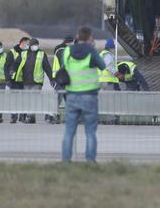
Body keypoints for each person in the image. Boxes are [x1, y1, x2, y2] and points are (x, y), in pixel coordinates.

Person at [61, 26, 106, 163]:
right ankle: (90, 161)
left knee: (69, 131)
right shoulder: (91, 51)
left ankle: (66, 160)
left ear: (77, 36)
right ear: (89, 38)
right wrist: (92, 47)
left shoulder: (67, 51)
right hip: (89, 95)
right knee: (90, 132)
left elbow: (64, 66)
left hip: (72, 95)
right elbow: (102, 65)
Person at [12, 38, 52, 124]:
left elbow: (47, 67)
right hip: (26, 81)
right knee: (28, 100)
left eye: (37, 45)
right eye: (34, 45)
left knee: (33, 99)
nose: (35, 46)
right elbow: (16, 63)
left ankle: (30, 117)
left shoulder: (42, 54)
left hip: (37, 82)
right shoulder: (23, 54)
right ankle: (32, 117)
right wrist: (13, 71)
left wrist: (51, 79)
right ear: (30, 46)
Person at [48, 36, 74, 123]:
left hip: (62, 78)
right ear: (69, 42)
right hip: (62, 79)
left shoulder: (61, 50)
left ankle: (69, 117)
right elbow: (64, 64)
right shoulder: (63, 51)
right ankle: (51, 115)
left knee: (68, 99)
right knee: (58, 98)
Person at [7, 36, 30, 123]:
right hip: (14, 81)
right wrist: (8, 79)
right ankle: (13, 116)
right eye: (27, 44)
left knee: (24, 100)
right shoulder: (12, 52)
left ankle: (22, 116)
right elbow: (7, 66)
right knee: (14, 100)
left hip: (24, 80)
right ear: (22, 43)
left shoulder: (28, 52)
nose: (29, 45)